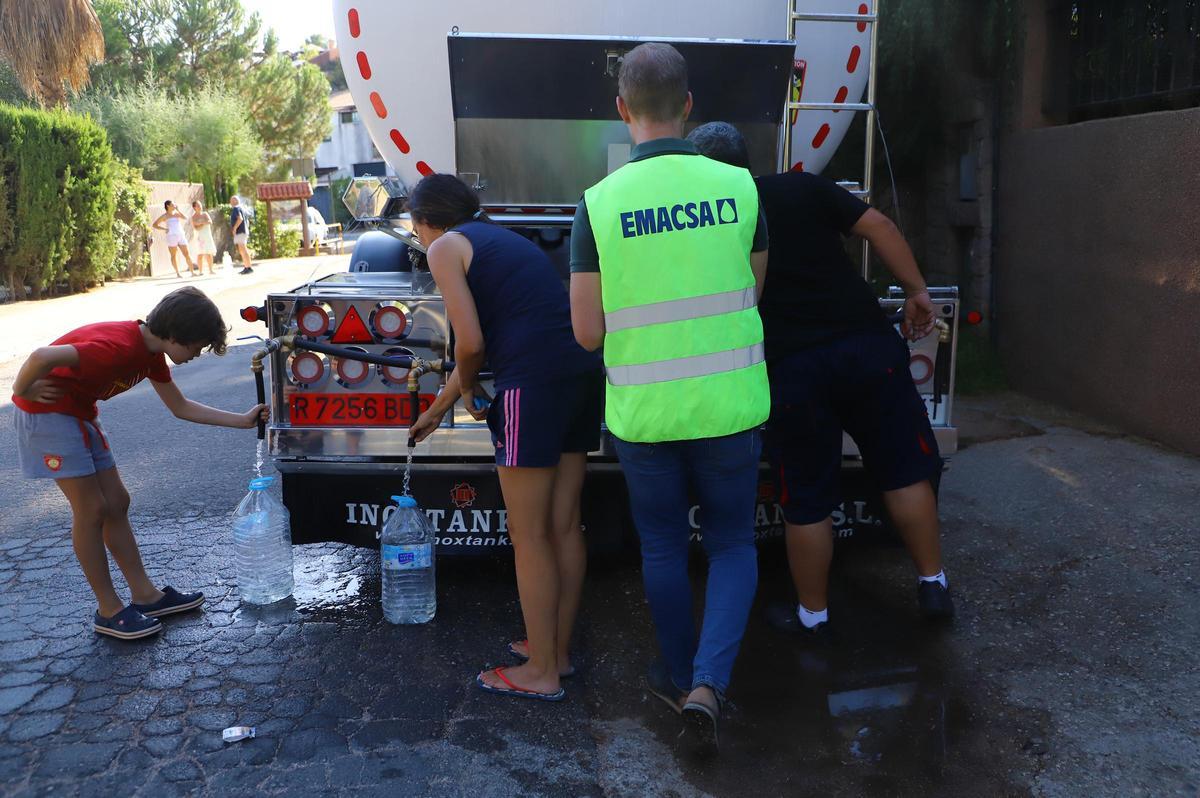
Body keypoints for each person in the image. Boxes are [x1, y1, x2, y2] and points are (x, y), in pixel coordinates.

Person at [569, 43, 770, 754]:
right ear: (689, 106)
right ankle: (711, 685)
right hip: (729, 407)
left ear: (623, 110)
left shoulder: (598, 204)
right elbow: (752, 294)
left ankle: (679, 675)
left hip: (645, 416)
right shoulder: (741, 189)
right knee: (733, 544)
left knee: (662, 546)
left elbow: (588, 335)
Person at [686, 121, 954, 641]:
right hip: (867, 347)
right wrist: (916, 291)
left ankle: (814, 615)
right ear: (748, 158)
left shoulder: (710, 220)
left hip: (792, 369)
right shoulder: (800, 185)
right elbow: (880, 227)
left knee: (807, 496)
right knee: (902, 470)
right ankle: (933, 582)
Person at [407, 174, 604, 703]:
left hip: (531, 387)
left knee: (529, 534)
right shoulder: (504, 240)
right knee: (564, 525)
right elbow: (487, 341)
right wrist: (441, 406)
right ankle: (555, 652)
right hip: (580, 376)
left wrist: (461, 387)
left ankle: (540, 671)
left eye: (415, 226)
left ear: (427, 220)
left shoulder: (445, 247)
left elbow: (470, 343)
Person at [11, 286, 270, 640]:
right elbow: (42, 356)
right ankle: (109, 609)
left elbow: (180, 407)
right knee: (91, 510)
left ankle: (145, 596)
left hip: (79, 414)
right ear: (178, 335)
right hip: (48, 416)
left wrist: (241, 420)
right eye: (197, 346)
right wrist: (21, 390)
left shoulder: (149, 355)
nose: (197, 354)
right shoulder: (117, 347)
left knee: (117, 503)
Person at [152, 200, 196, 278]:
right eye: (172, 204)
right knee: (173, 255)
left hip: (180, 235)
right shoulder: (164, 216)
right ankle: (178, 273)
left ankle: (192, 272)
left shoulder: (176, 214)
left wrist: (178, 210)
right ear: (168, 206)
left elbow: (185, 217)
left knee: (186, 253)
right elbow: (155, 225)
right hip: (171, 236)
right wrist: (164, 229)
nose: (174, 205)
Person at [190, 201, 217, 275]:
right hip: (199, 237)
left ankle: (211, 270)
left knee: (209, 253)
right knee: (200, 254)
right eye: (198, 205)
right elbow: (195, 227)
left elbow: (209, 222)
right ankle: (200, 271)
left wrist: (200, 223)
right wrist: (203, 222)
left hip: (207, 236)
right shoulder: (193, 217)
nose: (200, 207)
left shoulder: (205, 214)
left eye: (200, 205)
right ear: (194, 207)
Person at [228, 196, 253, 275]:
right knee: (242, 250)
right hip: (244, 231)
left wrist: (234, 228)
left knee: (243, 249)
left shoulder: (236, 208)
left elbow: (240, 219)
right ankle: (247, 267)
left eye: (231, 200)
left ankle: (248, 267)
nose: (230, 202)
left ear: (235, 201)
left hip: (240, 231)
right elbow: (246, 221)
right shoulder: (242, 209)